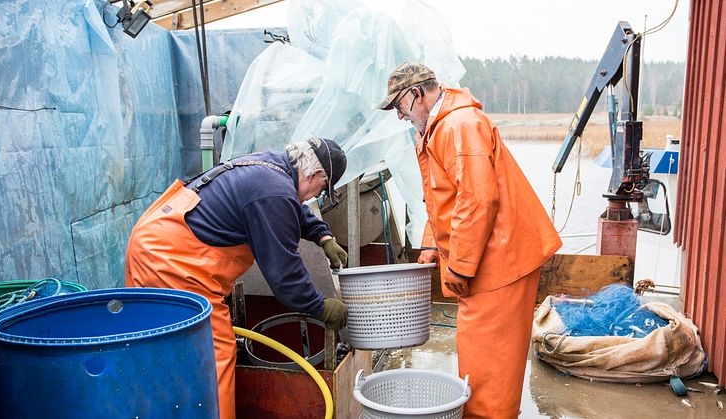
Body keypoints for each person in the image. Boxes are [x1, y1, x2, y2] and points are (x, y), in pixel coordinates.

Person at [379, 62, 562, 418]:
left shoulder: (458, 125)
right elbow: (445, 195)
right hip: (489, 259)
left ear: (416, 94)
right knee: (479, 360)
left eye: (399, 106)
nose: (400, 116)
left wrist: (460, 267)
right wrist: (432, 242)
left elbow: (477, 200)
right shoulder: (441, 126)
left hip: (500, 263)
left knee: (490, 369)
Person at [125, 136, 349, 419]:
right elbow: (285, 273)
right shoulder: (274, 191)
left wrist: (323, 235)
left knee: (166, 349)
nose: (315, 197)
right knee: (214, 353)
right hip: (170, 259)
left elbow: (293, 207)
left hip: (157, 240)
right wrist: (319, 306)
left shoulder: (272, 168)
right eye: (320, 189)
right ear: (317, 174)